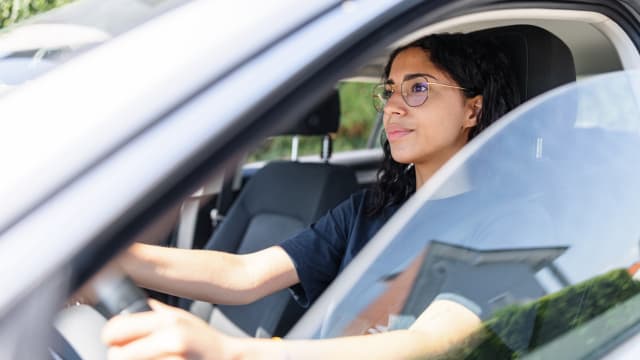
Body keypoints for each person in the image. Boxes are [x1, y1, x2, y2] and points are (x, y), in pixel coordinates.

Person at [101, 32, 521, 359]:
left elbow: (433, 343)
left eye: (418, 89)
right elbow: (244, 276)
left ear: (472, 110)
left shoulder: (507, 226)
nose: (392, 106)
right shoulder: (367, 211)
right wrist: (106, 260)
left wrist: (238, 353)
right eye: (390, 91)